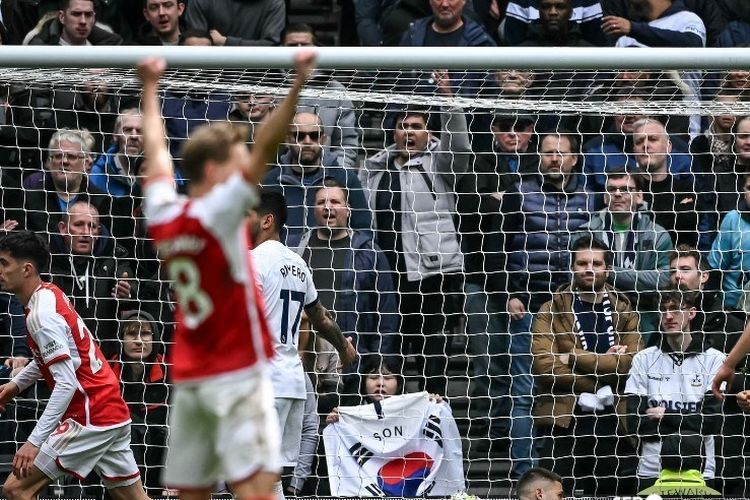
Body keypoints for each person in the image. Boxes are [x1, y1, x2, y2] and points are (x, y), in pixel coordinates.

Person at [136, 50, 316, 500]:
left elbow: (157, 152)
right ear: (216, 171)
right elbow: (269, 147)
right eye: (237, 160)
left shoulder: (164, 211)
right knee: (256, 492)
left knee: (193, 493)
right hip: (237, 374)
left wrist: (151, 87)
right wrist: (296, 85)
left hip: (193, 375)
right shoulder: (219, 213)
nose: (245, 169)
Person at [0, 231, 149, 500]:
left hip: (90, 415)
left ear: (26, 269)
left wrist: (33, 443)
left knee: (15, 489)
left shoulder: (41, 316)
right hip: (110, 409)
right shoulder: (49, 293)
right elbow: (52, 358)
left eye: (3, 263)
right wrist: (14, 385)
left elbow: (67, 383)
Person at [360, 80, 470, 396]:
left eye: (417, 126)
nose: (409, 132)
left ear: (429, 133)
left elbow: (460, 144)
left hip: (429, 275)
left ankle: (433, 413)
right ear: (393, 132)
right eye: (402, 126)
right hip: (386, 275)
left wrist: (449, 100)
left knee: (430, 352)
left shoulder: (440, 163)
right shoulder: (374, 169)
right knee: (388, 349)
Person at [499, 130, 594, 477]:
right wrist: (510, 292)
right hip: (528, 306)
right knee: (524, 392)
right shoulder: (519, 192)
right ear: (539, 157)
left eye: (561, 152)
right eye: (548, 152)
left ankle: (562, 475)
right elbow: (500, 245)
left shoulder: (589, 196)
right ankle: (526, 474)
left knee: (572, 390)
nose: (554, 158)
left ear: (573, 158)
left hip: (574, 311)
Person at [249, 189, 356, 491]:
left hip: (262, 382)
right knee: (274, 481)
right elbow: (320, 318)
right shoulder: (298, 263)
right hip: (293, 384)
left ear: (267, 220)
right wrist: (343, 346)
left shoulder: (252, 262)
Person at [532, 236, 641, 495]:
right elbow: (545, 368)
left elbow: (631, 365)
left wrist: (572, 357)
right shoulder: (550, 310)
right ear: (572, 267)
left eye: (596, 263)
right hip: (564, 420)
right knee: (554, 493)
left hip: (614, 419)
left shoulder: (625, 310)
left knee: (612, 493)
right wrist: (605, 370)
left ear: (608, 268)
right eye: (582, 263)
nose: (589, 269)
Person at [625, 290, 725, 491]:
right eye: (663, 310)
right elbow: (636, 424)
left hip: (700, 472)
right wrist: (690, 421)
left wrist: (665, 415)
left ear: (692, 313)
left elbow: (711, 422)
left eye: (676, 310)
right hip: (651, 471)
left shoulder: (714, 359)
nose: (668, 316)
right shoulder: (643, 359)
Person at [294, 179, 399, 363]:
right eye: (321, 202)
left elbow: (387, 313)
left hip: (354, 359)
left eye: (335, 202)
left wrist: (378, 361)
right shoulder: (296, 251)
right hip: (305, 356)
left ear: (348, 209)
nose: (328, 207)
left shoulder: (370, 253)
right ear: (313, 210)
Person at [575, 168, 673, 339]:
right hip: (595, 318)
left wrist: (610, 272)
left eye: (626, 189)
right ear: (605, 197)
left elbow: (664, 280)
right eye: (612, 190)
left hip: (645, 323)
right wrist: (638, 280)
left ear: (639, 196)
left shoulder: (658, 235)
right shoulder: (586, 234)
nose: (618, 194)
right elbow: (578, 280)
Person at [262, 111, 371, 241]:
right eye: (299, 136)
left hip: (331, 259)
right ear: (287, 140)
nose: (307, 141)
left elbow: (364, 233)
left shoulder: (346, 179)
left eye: (314, 135)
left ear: (323, 139)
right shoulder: (270, 182)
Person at [50, 201, 135, 358]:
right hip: (59, 354)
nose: (86, 232)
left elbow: (131, 284)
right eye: (79, 224)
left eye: (92, 226)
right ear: (63, 228)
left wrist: (127, 293)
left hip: (104, 356)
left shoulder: (115, 257)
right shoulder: (47, 261)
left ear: (99, 231)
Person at [107, 310, 169, 494]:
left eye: (145, 333)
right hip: (119, 451)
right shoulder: (106, 371)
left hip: (160, 453)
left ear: (155, 337)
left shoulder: (170, 372)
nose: (139, 340)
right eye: (132, 334)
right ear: (121, 338)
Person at [89, 109, 144, 197]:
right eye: (127, 130)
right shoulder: (97, 175)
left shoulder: (158, 176)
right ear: (115, 136)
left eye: (140, 131)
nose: (134, 136)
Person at [184, 0, 285, 46]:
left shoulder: (274, 3)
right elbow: (196, 44)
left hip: (259, 77)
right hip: (211, 77)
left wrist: (226, 42)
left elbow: (270, 45)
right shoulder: (202, 1)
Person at [24, 0, 123, 45]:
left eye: (88, 15)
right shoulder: (39, 48)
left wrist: (106, 87)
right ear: (62, 17)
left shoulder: (109, 47)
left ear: (94, 18)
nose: (83, 21)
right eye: (76, 14)